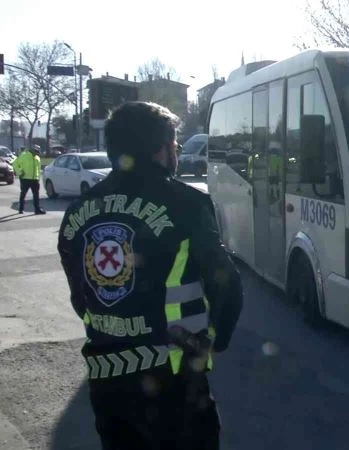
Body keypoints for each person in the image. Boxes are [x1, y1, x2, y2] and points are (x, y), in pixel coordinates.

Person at [57, 101, 244, 448]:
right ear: (161, 149)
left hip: (106, 383)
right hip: (174, 378)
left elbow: (80, 297)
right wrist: (215, 341)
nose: (176, 153)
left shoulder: (78, 210)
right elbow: (227, 285)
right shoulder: (185, 203)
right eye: (175, 145)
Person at [12, 144, 46, 214]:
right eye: (36, 151)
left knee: (36, 195)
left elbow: (38, 168)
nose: (37, 153)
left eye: (38, 151)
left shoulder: (37, 158)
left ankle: (37, 209)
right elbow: (15, 163)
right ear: (32, 150)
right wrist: (19, 172)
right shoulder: (24, 155)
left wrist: (38, 178)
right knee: (23, 194)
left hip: (35, 179)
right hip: (25, 179)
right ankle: (21, 209)